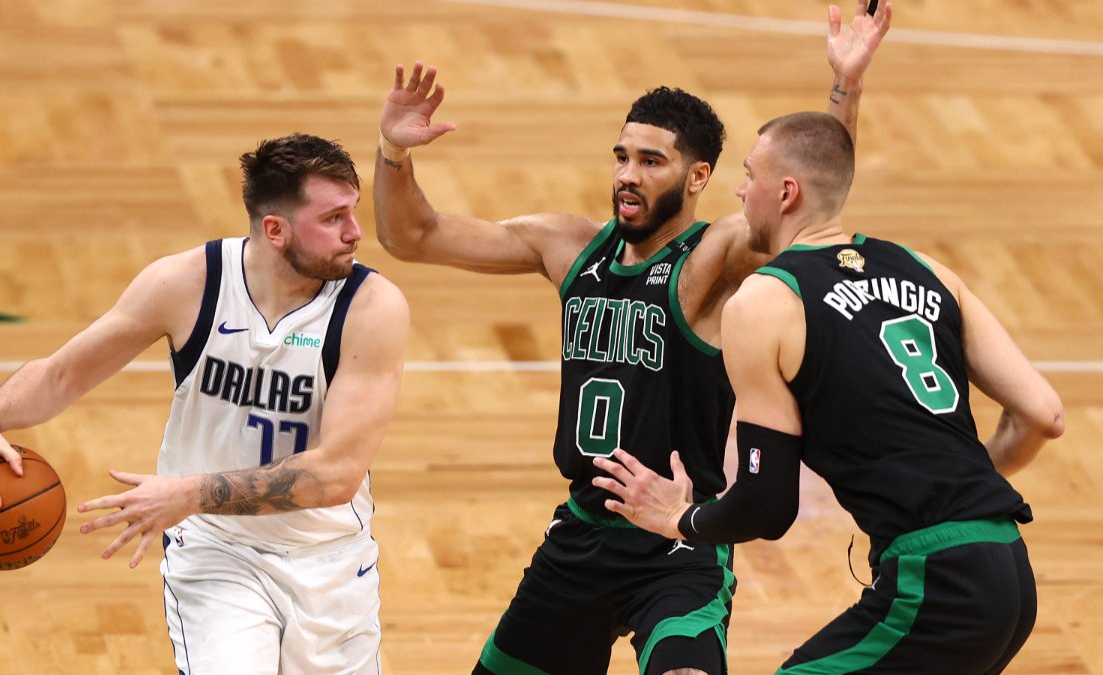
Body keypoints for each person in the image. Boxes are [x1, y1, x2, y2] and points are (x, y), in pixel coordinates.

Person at [374, 3, 891, 673]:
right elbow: (412, 236)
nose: (627, 173)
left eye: (651, 161)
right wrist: (392, 151)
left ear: (699, 177)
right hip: (583, 535)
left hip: (676, 537)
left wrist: (845, 86)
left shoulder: (711, 260)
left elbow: (811, 197)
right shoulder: (567, 245)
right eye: (622, 156)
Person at [591, 111, 1065, 674]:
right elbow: (1043, 414)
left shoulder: (764, 300)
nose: (740, 190)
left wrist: (680, 518)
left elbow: (767, 505)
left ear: (785, 192)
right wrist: (958, 495)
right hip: (1008, 567)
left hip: (937, 586)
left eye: (748, 174)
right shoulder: (926, 268)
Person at [0, 133, 409, 674]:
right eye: (333, 218)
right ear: (275, 230)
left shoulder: (370, 308)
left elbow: (335, 476)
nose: (355, 233)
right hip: (217, 551)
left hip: (329, 562)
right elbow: (62, 374)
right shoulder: (188, 283)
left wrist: (190, 492)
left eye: (352, 211)